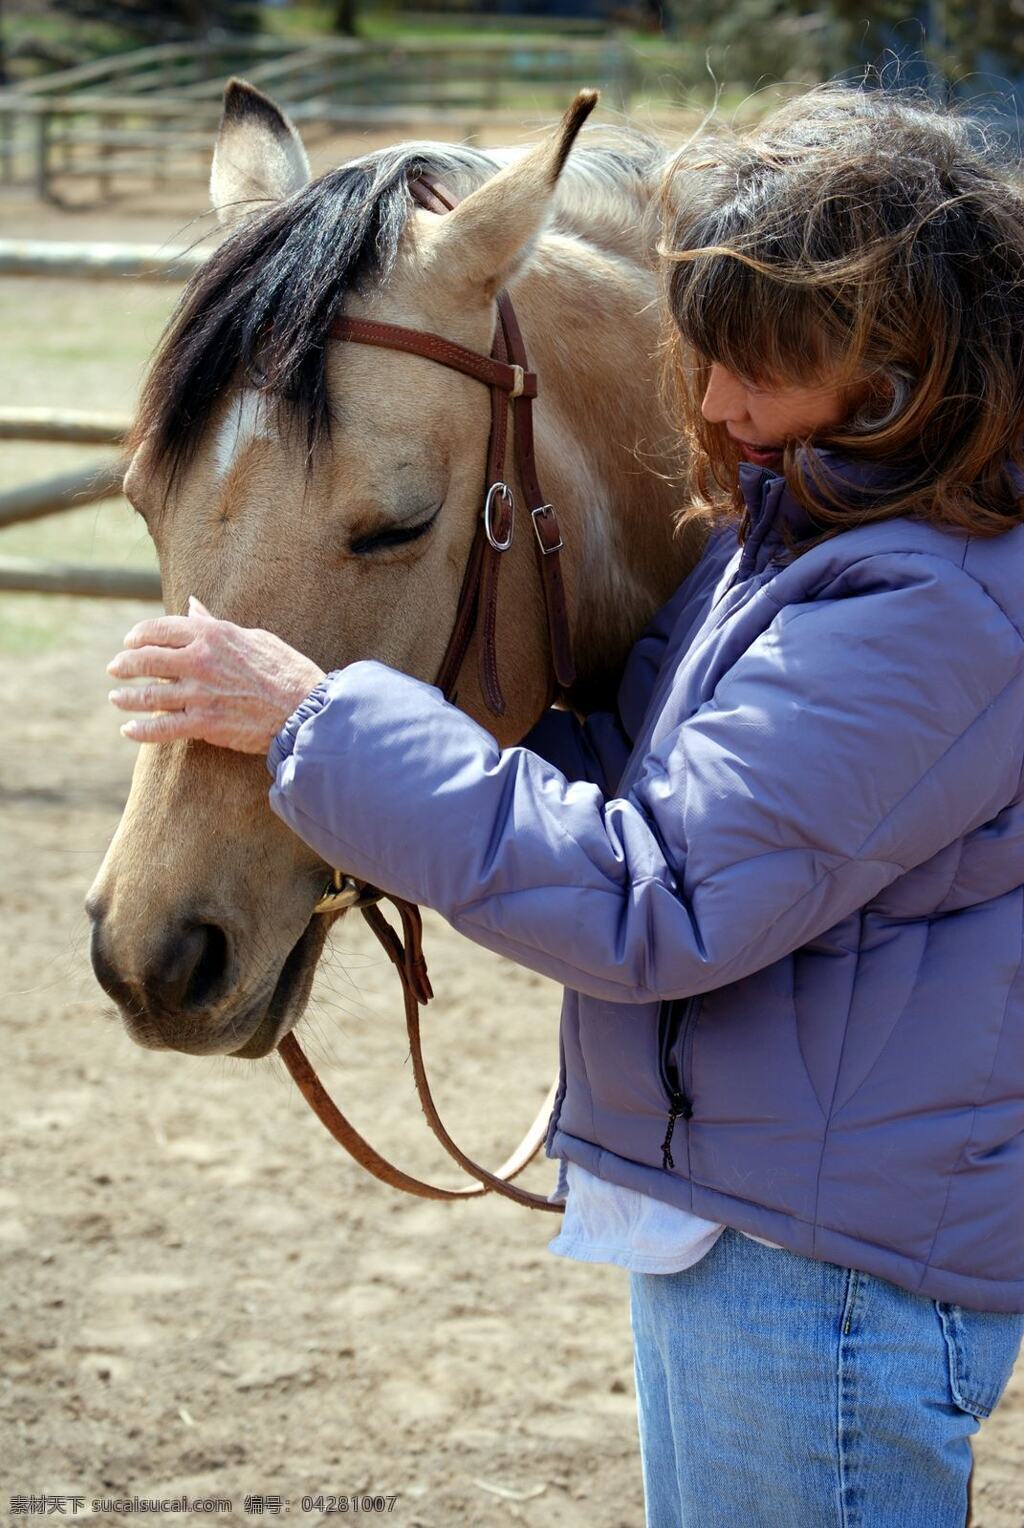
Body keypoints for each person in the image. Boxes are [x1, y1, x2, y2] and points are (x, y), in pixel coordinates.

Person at [106, 80, 1024, 1526]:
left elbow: (663, 895)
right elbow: (657, 785)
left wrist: (317, 723)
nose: (705, 402)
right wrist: (347, 759)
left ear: (900, 366)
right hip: (769, 1221)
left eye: (749, 368)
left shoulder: (922, 607)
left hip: (828, 1280)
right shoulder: (798, 545)